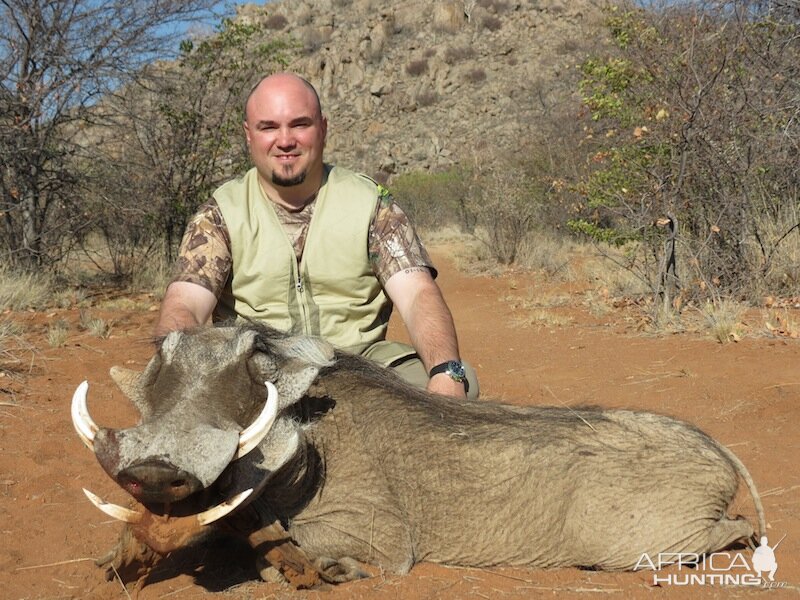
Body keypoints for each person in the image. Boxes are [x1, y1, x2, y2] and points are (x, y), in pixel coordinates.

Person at [155, 72, 479, 400]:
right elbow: (185, 305)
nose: (285, 140)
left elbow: (417, 295)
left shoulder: (371, 205)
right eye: (268, 127)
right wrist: (177, 371)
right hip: (255, 376)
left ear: (322, 129)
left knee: (457, 379)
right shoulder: (219, 215)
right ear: (248, 135)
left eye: (300, 124)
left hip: (360, 368)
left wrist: (445, 370)